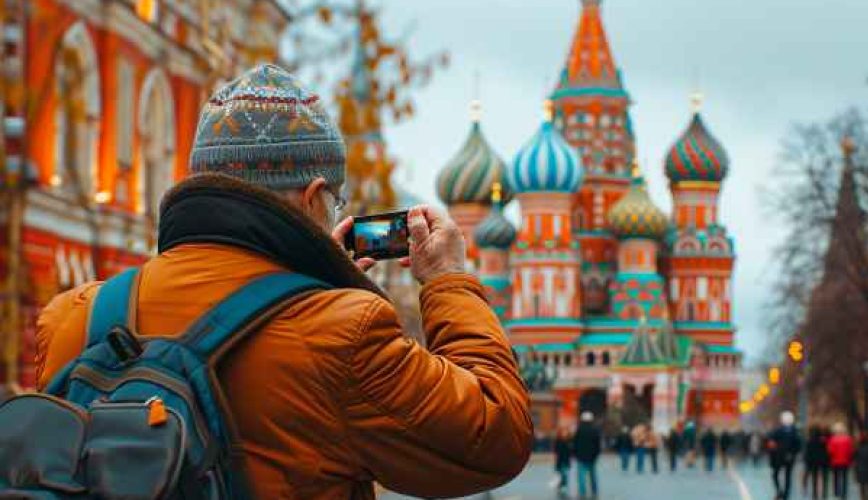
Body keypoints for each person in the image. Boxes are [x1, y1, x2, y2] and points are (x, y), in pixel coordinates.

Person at [33, 65, 533, 499]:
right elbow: (496, 435)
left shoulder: (74, 316)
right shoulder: (344, 333)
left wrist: (312, 286)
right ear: (315, 198)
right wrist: (447, 281)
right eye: (335, 202)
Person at [768, 411, 803, 500]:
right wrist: (793, 454)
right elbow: (799, 445)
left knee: (777, 475)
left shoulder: (778, 431)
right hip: (787, 457)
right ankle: (784, 494)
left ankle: (781, 492)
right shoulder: (795, 432)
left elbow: (771, 444)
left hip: (780, 457)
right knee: (787, 476)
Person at [573, 412, 602, 499]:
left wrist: (575, 454)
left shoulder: (579, 430)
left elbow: (575, 443)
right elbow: (598, 445)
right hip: (592, 457)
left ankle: (582, 493)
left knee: (581, 477)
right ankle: (594, 491)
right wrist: (596, 455)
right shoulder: (595, 430)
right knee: (593, 476)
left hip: (581, 457)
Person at [828, 422, 855, 499]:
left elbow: (830, 451)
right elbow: (850, 451)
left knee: (836, 477)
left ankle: (836, 492)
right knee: (845, 477)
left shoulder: (832, 439)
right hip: (845, 461)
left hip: (835, 461)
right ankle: (844, 493)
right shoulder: (848, 439)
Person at [803, 425, 830, 500]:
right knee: (825, 478)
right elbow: (827, 451)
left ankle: (815, 495)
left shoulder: (810, 440)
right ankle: (824, 494)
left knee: (814, 478)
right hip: (824, 461)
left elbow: (807, 453)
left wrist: (807, 462)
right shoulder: (824, 440)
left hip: (813, 462)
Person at [554, 427, 573, 496]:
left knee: (565, 474)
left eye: (565, 432)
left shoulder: (569, 441)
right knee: (561, 474)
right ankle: (561, 485)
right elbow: (556, 451)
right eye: (563, 432)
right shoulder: (558, 441)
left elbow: (570, 452)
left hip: (566, 460)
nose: (564, 433)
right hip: (560, 460)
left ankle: (563, 486)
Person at [854, 433, 868, 500]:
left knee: (862, 487)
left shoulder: (858, 449)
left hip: (861, 470)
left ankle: (863, 498)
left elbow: (855, 461)